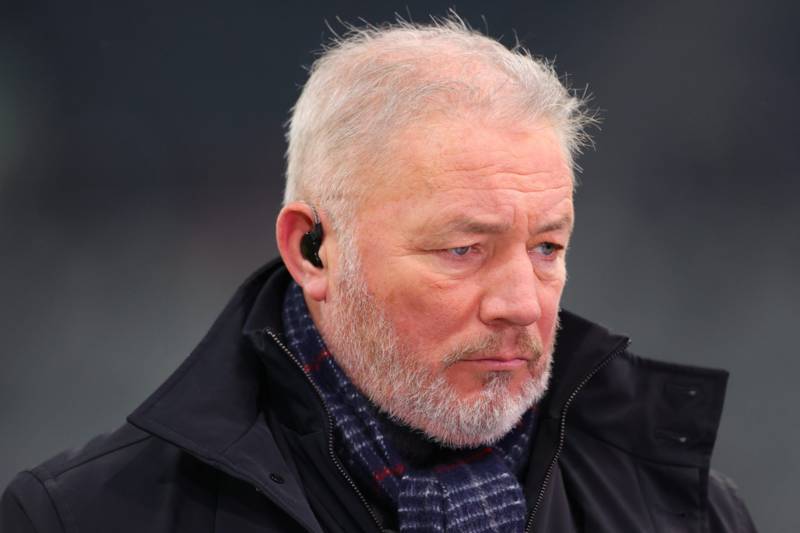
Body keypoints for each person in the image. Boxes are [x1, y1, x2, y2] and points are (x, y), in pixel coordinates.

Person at [1, 17, 757, 533]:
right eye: (463, 249)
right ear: (312, 250)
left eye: (547, 248)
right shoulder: (78, 516)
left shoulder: (690, 513)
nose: (522, 304)